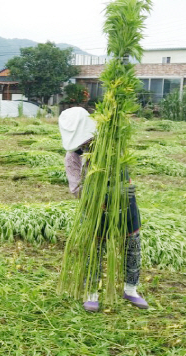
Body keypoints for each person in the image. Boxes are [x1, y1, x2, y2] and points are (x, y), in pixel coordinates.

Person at [59, 107, 149, 312]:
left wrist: (125, 188)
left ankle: (131, 289)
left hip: (125, 206)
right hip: (95, 210)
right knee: (93, 250)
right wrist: (109, 192)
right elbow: (77, 191)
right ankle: (91, 292)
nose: (84, 145)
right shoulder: (73, 158)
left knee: (132, 246)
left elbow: (126, 169)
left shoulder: (113, 145)